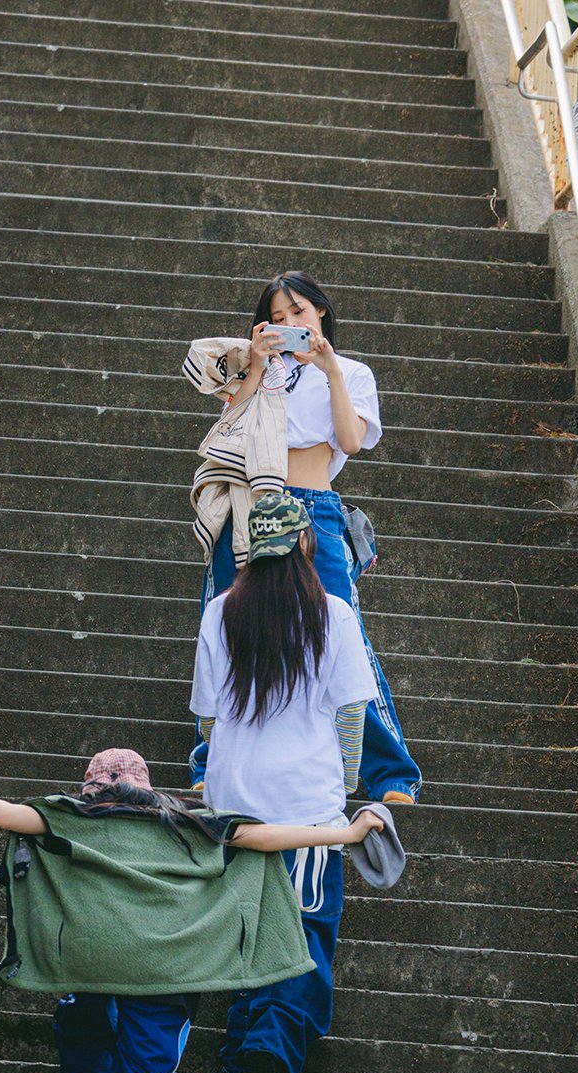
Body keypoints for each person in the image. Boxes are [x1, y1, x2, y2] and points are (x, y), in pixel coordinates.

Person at [0, 748, 384, 1073]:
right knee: (149, 1067)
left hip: (89, 962)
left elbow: (3, 814)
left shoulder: (70, 816)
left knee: (83, 1038)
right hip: (168, 966)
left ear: (88, 784)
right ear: (146, 786)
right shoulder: (188, 822)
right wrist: (346, 833)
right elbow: (267, 837)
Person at [183, 268, 420, 805]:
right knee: (227, 620)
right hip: (249, 503)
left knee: (345, 628)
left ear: (321, 315)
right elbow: (233, 426)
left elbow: (351, 441)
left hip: (315, 509)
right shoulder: (259, 371)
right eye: (278, 317)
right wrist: (260, 363)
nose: (290, 324)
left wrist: (330, 370)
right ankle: (208, 758)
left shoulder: (352, 372)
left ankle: (392, 774)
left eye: (299, 313)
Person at [191, 490, 377, 1073]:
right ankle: (273, 1044)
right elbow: (352, 715)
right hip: (308, 810)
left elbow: (209, 720)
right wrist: (346, 787)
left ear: (249, 549)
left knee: (249, 923)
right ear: (306, 543)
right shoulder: (336, 616)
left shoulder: (220, 613)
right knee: (304, 928)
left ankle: (245, 1042)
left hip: (235, 805)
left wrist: (222, 777)